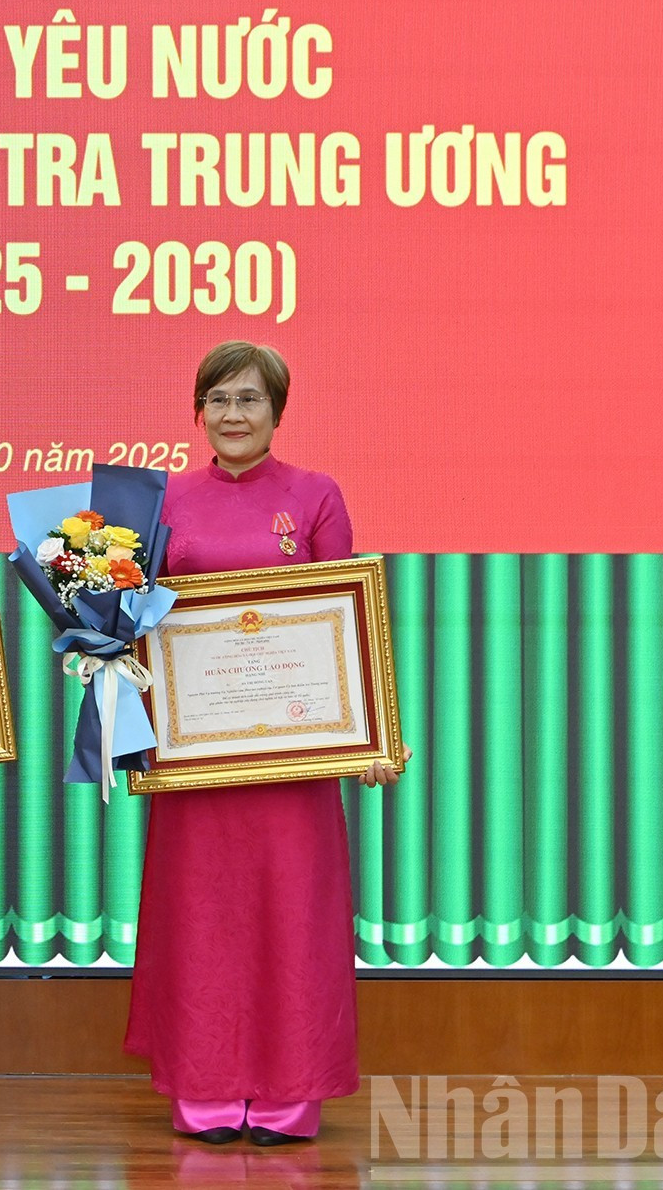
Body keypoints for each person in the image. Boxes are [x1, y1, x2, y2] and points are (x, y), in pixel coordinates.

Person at [124, 340, 401, 1147]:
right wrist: (109, 665)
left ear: (277, 410)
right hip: (198, 761)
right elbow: (131, 621)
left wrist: (373, 732)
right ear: (198, 411)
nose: (233, 414)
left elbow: (344, 623)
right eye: (217, 399)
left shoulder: (316, 496)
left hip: (293, 761)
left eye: (249, 399)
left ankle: (289, 1090)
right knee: (201, 918)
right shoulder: (161, 500)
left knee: (293, 918)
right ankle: (205, 1085)